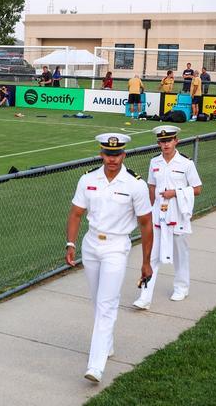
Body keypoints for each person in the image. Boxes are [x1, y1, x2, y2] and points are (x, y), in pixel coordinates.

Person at [65, 133, 153, 383]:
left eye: (117, 155)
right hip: (91, 244)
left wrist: (146, 262)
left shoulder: (135, 184)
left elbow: (147, 224)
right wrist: (70, 243)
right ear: (101, 154)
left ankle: (96, 365)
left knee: (106, 304)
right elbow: (75, 213)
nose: (112, 159)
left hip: (116, 246)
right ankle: (107, 344)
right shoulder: (87, 179)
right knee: (97, 301)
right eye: (108, 154)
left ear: (124, 155)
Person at [133, 126, 202, 310]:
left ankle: (181, 287)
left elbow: (197, 188)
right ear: (158, 143)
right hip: (158, 213)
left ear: (176, 141)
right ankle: (145, 296)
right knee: (151, 254)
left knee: (180, 253)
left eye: (168, 140)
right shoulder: (154, 162)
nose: (165, 144)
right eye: (162, 141)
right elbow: (151, 187)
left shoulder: (186, 163)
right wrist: (148, 210)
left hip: (178, 213)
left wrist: (176, 193)